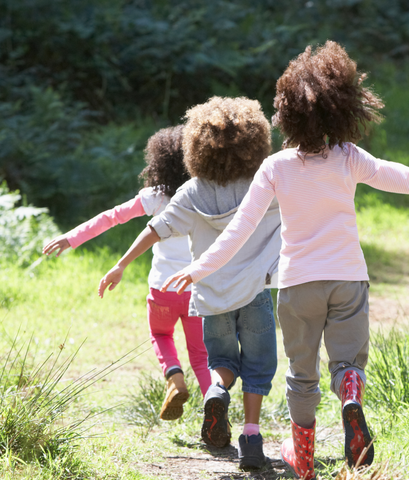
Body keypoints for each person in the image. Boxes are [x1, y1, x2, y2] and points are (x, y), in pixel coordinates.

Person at [161, 41, 409, 479]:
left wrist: (200, 267)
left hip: (298, 286)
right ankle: (351, 391)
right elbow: (400, 177)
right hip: (348, 279)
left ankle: (304, 458)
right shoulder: (349, 158)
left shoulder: (275, 167)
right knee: (347, 362)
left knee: (301, 375)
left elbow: (240, 229)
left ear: (285, 113)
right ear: (342, 109)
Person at [99, 96, 282, 471]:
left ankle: (216, 392)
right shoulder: (262, 184)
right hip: (255, 293)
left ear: (196, 145)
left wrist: (120, 264)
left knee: (222, 361)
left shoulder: (192, 191)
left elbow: (155, 229)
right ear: (255, 141)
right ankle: (251, 437)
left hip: (210, 296)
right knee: (259, 366)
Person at [43, 125, 211, 421]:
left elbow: (112, 217)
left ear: (160, 162)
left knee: (160, 333)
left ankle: (174, 378)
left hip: (163, 290)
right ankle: (215, 410)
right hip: (198, 289)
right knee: (201, 354)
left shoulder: (156, 197)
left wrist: (72, 237)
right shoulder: (205, 194)